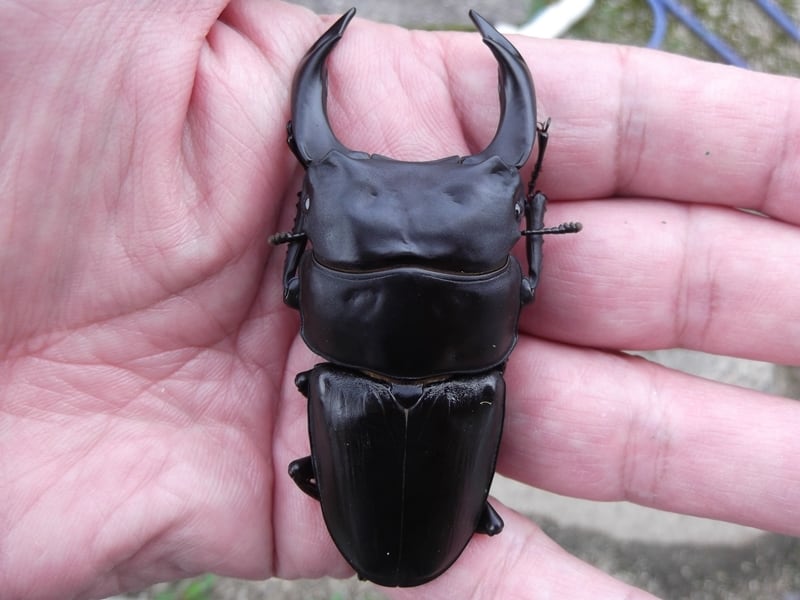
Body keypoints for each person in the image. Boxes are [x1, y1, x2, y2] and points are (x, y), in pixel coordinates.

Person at [1, 1, 798, 599]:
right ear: (502, 289)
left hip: (383, 445)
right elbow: (526, 286)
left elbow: (303, 286)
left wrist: (313, 203)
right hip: (416, 427)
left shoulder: (318, 330)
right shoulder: (483, 335)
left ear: (313, 284)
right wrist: (527, 211)